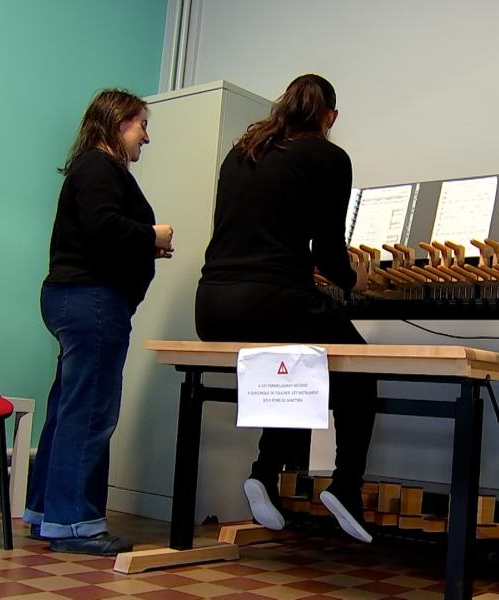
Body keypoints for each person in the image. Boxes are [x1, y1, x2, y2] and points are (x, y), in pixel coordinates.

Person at [195, 74, 376, 543]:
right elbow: (331, 256)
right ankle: (346, 485)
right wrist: (360, 279)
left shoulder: (242, 151)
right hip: (269, 302)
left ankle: (264, 472)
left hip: (212, 304)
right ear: (329, 116)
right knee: (361, 366)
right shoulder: (329, 157)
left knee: (296, 365)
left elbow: (250, 234)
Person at [24, 89, 174, 556]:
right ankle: (74, 526)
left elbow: (100, 229)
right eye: (141, 125)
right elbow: (103, 227)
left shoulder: (93, 168)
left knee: (70, 407)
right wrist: (152, 235)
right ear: (117, 122)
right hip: (91, 301)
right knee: (90, 411)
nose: (146, 137)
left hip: (77, 299)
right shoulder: (98, 166)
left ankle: (46, 515)